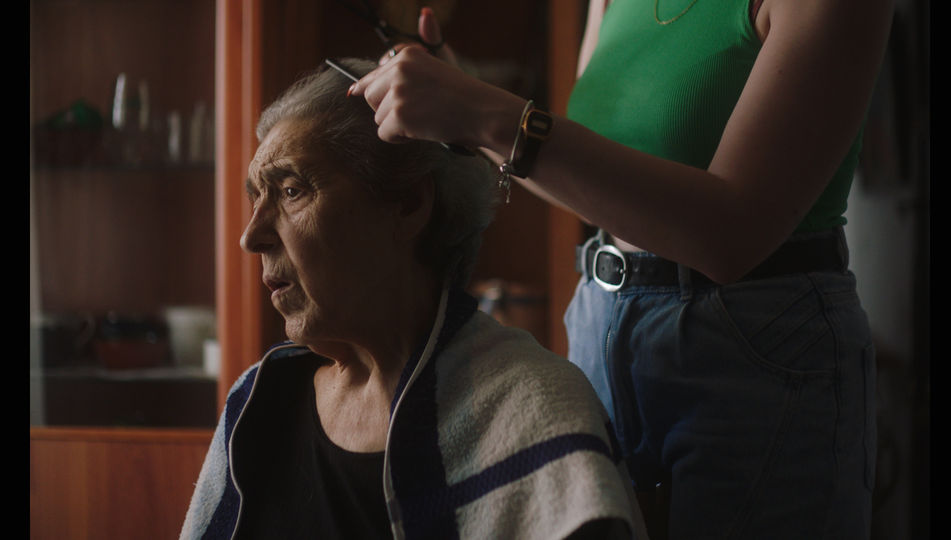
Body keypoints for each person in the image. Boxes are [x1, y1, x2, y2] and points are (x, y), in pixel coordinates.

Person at [348, 1, 893, 538]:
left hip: (757, 353)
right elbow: (595, 189)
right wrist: (463, 109)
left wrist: (484, 114)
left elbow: (732, 236)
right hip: (600, 325)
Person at [179, 58, 646, 540]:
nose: (250, 237)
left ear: (408, 204)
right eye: (255, 198)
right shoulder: (258, 404)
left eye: (292, 190)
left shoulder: (532, 406)